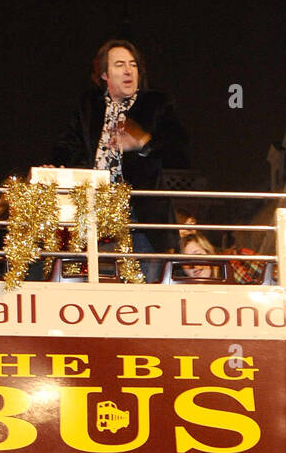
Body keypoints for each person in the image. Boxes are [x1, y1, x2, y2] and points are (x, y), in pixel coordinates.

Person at [52, 40, 190, 281]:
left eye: (133, 65)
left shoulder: (156, 104)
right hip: (92, 209)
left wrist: (144, 143)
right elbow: (67, 144)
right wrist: (57, 167)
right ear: (104, 74)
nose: (128, 71)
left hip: (141, 214)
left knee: (146, 286)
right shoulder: (88, 105)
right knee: (93, 281)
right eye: (119, 65)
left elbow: (179, 145)